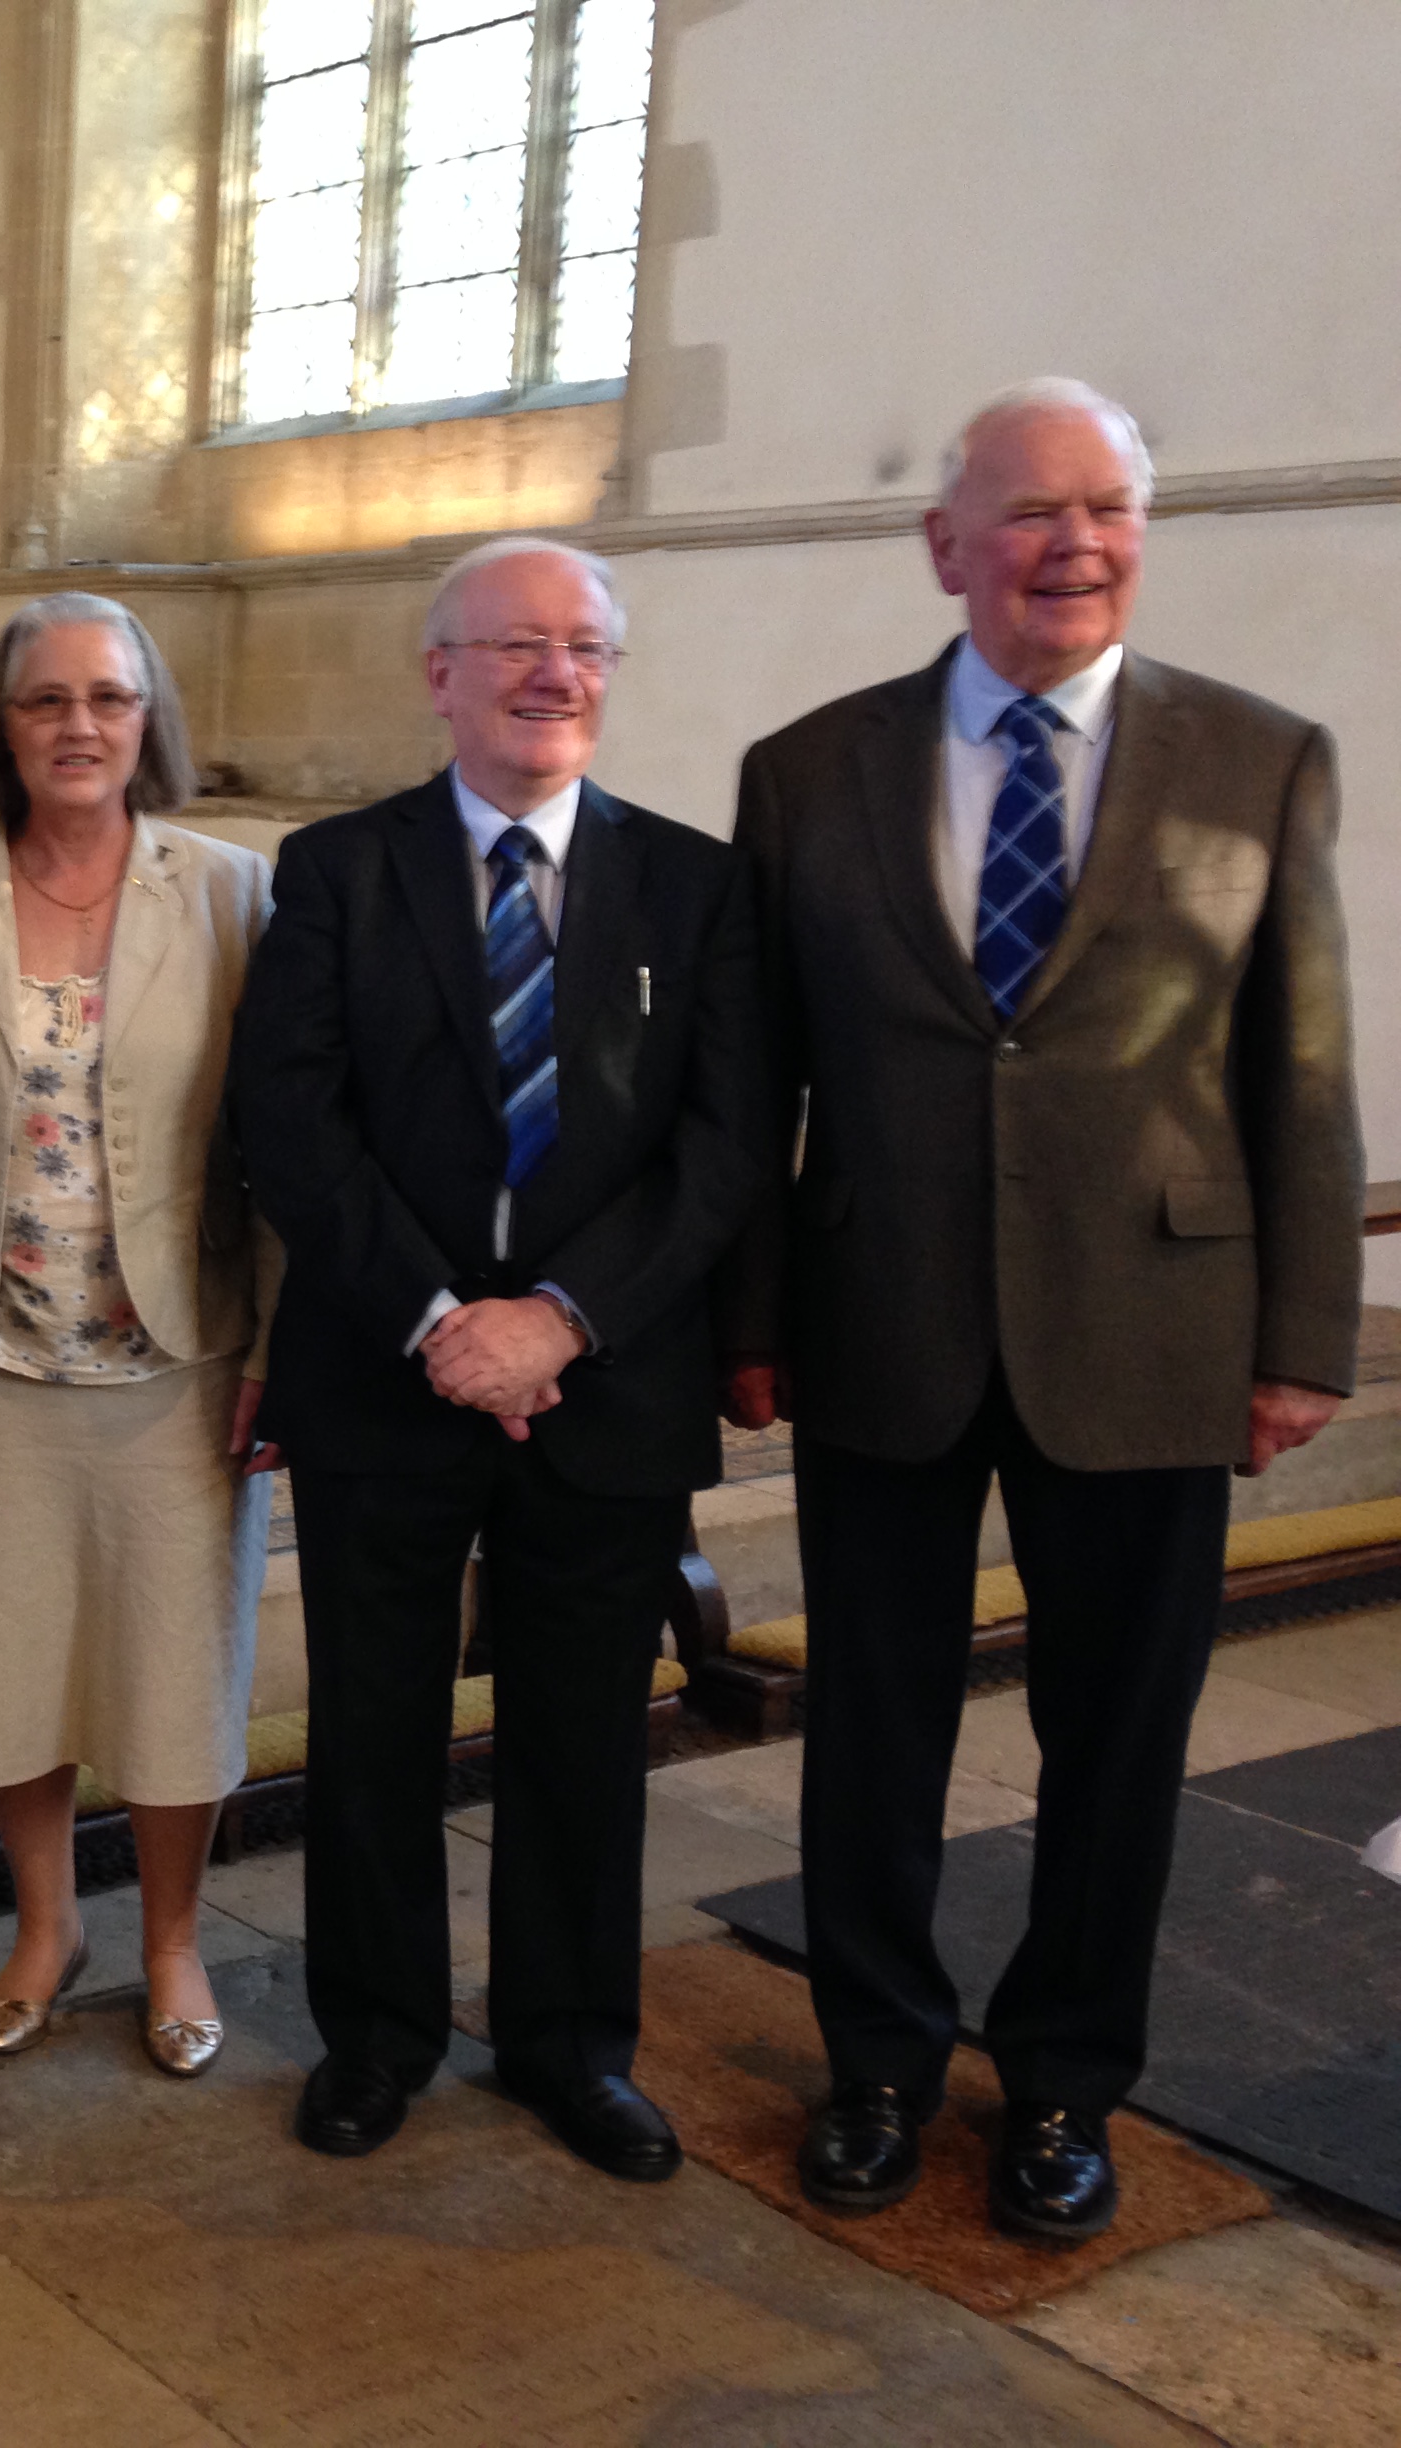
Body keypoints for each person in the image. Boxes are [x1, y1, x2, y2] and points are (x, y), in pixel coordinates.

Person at [724, 379, 1361, 2241]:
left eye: (1107, 509)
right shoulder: (808, 769)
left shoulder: (1260, 758)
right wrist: (748, 1318)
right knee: (874, 1727)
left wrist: (1304, 1338)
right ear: (947, 548)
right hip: (880, 1318)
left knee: (1120, 1735)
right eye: (1028, 512)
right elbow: (758, 1080)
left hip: (1153, 1325)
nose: (1072, 544)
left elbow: (1303, 1070)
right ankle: (877, 2064)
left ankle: (1067, 2086)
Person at [233, 536, 768, 2182]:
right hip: (384, 1373)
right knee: (375, 1728)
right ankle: (375, 2036)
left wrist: (562, 1318)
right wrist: (438, 1320)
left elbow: (726, 1145)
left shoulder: (695, 883)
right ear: (440, 673)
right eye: (519, 645)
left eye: (585, 648)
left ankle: (569, 2044)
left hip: (610, 1378)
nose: (555, 675)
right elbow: (291, 1120)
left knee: (584, 1738)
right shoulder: (337, 871)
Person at [0, 592, 280, 2078]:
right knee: (12, 1661)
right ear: (3, 725)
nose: (78, 725)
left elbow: (281, 1139)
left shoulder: (230, 894)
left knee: (175, 1670)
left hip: (179, 1357)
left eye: (108, 698)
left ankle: (173, 1941)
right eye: (45, 699)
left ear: (146, 718)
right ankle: (45, 1932)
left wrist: (279, 1347)